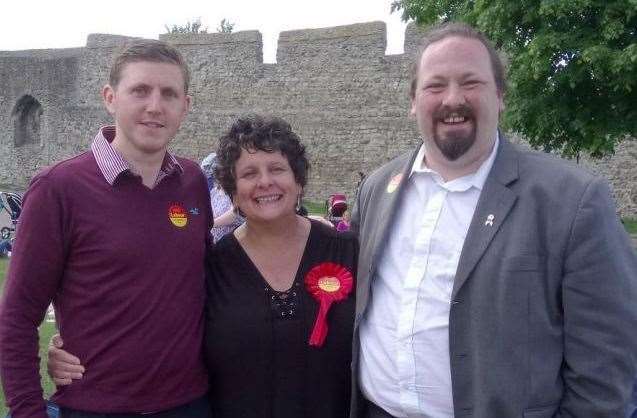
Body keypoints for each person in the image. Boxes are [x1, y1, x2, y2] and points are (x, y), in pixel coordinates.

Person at [350, 22, 637, 418]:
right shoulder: (378, 189)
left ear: (500, 96)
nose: (453, 99)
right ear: (413, 101)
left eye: (471, 82)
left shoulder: (572, 201)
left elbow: (607, 365)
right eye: (435, 86)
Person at [47, 115, 358, 417]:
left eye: (277, 169)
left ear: (298, 181)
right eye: (249, 174)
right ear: (233, 192)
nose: (265, 182)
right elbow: (155, 319)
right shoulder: (213, 266)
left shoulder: (347, 252)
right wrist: (76, 347)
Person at [0, 40, 212, 418]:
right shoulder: (58, 188)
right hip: (95, 407)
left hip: (189, 404)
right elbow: (17, 317)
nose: (154, 106)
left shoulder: (193, 181)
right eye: (140, 91)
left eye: (168, 94)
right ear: (110, 98)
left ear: (185, 107)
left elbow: (201, 283)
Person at [200, 152, 244, 242]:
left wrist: (209, 224)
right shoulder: (215, 191)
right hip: (212, 243)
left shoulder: (237, 192)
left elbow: (234, 214)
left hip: (230, 244)